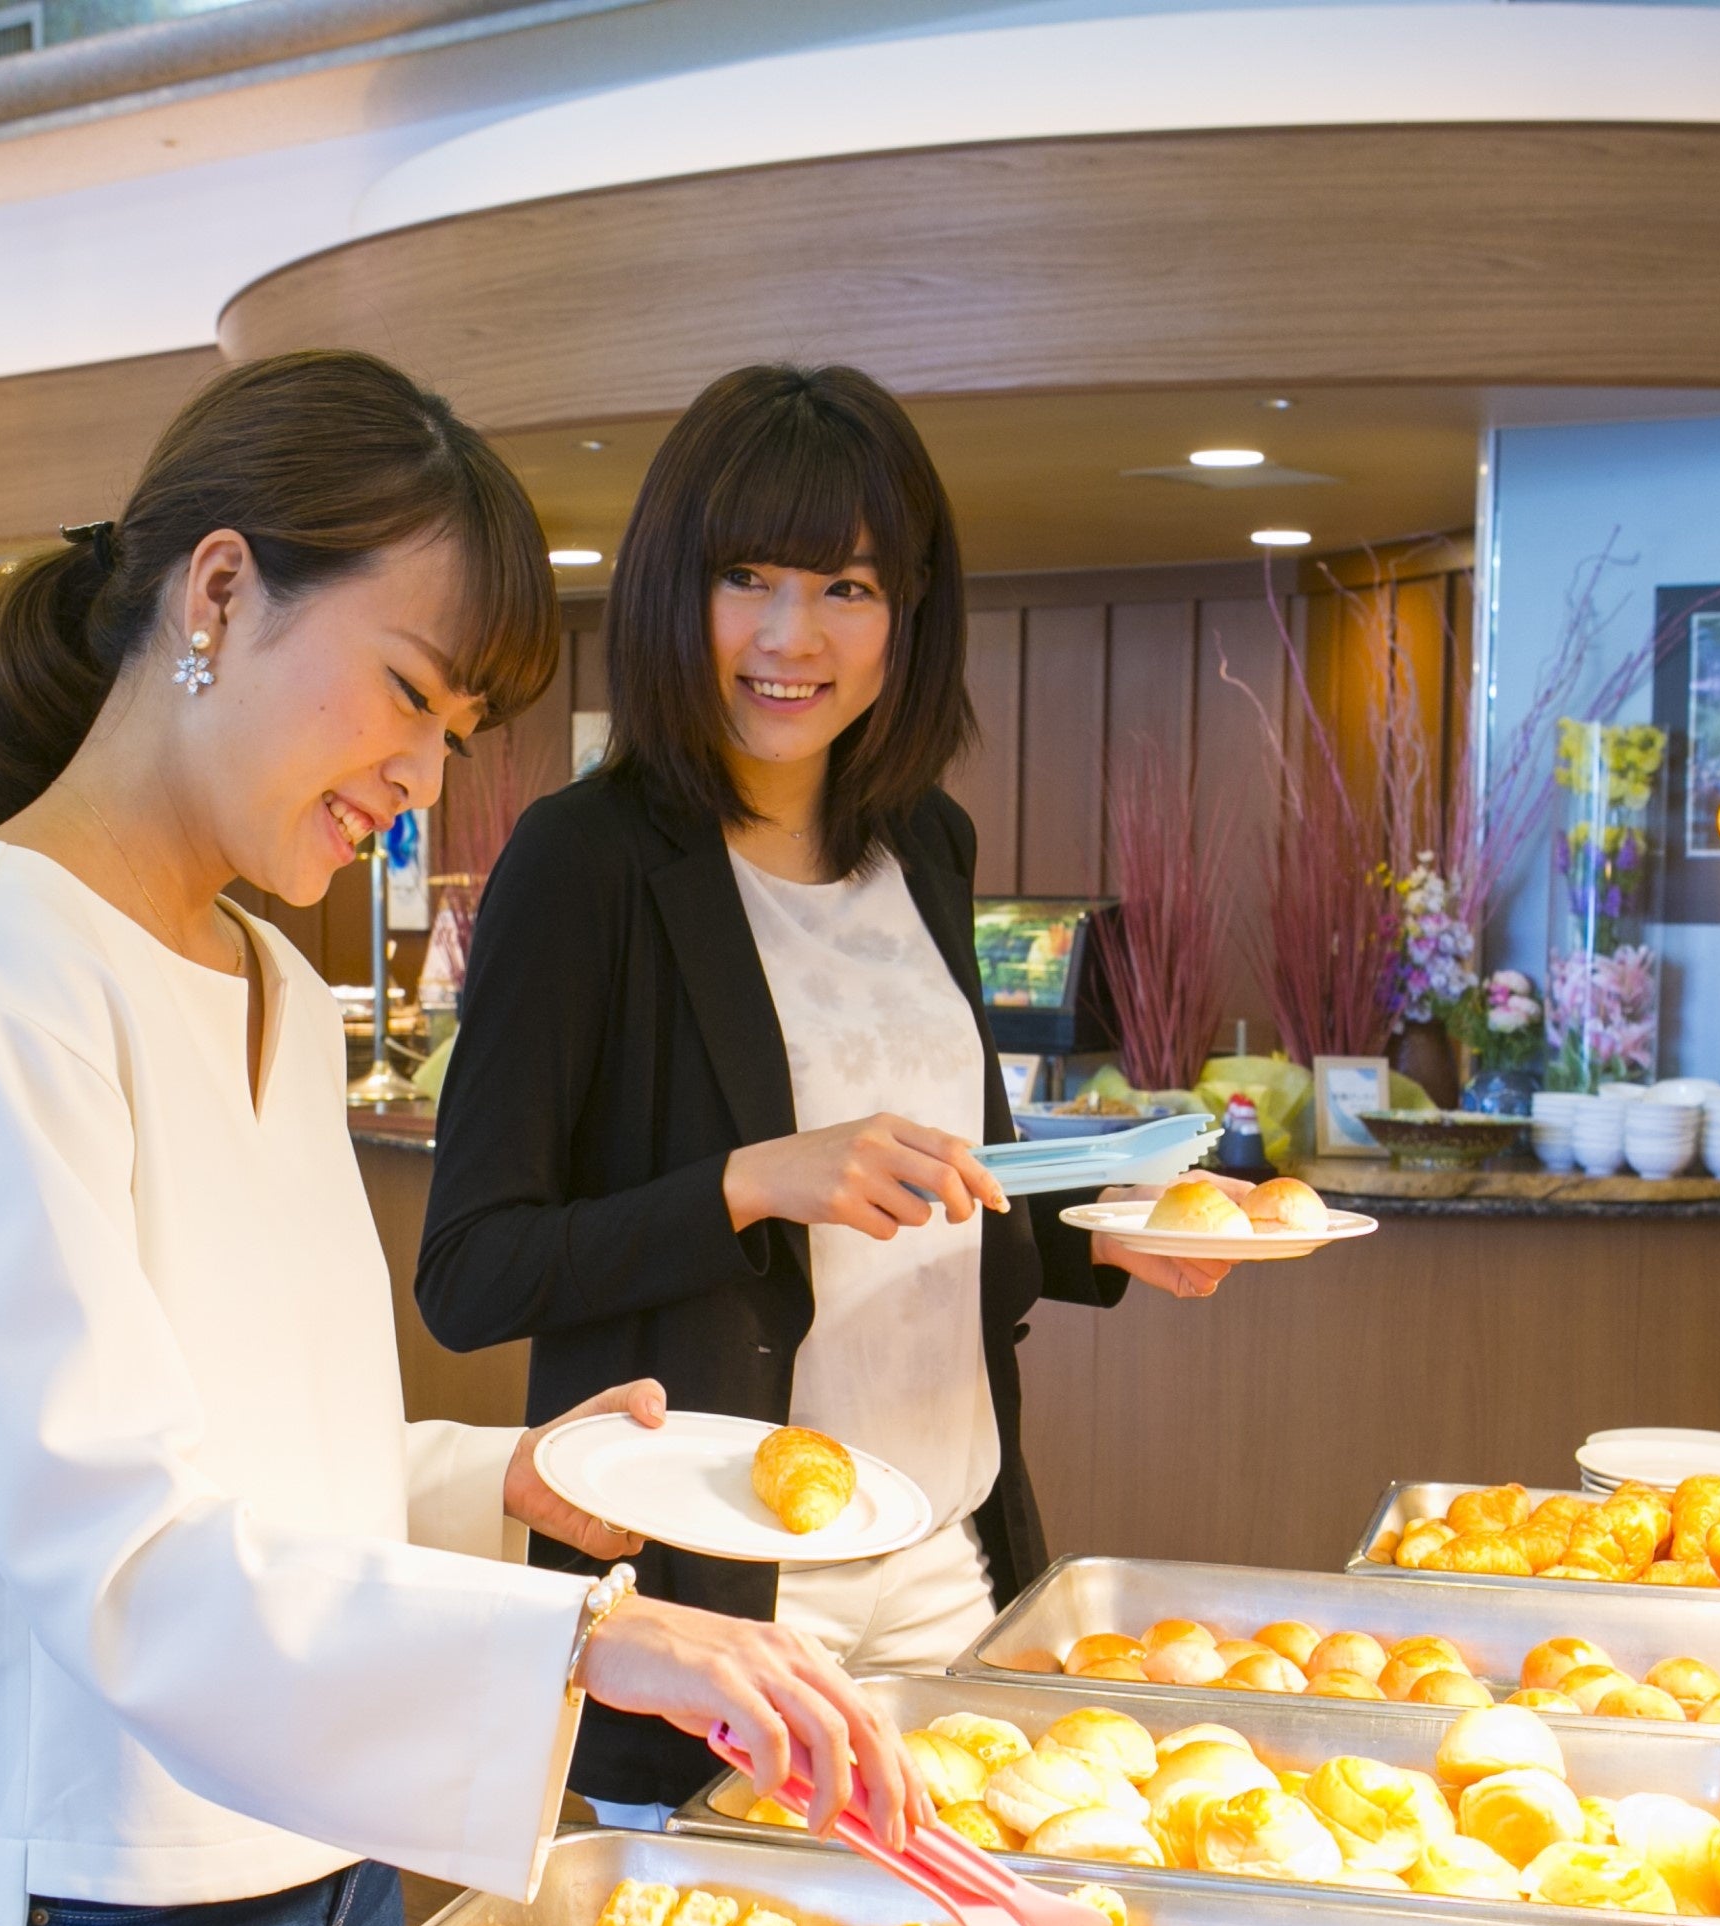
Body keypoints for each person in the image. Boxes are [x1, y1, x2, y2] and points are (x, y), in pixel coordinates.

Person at [0, 350, 915, 1926]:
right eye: (405, 691)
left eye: (452, 734)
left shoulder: (262, 970)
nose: (420, 773)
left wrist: (502, 1480)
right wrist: (590, 1635)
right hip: (93, 1906)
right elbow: (123, 1552)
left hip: (327, 1853)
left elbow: (262, 1456)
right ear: (220, 592)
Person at [417, 363, 1227, 1824]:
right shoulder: (584, 862)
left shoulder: (926, 842)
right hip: (725, 1597)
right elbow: (473, 1270)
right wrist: (747, 1183)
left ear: (908, 613)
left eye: (847, 587)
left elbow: (958, 1185)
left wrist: (1119, 1230)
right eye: (748, 578)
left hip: (955, 1548)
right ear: (674, 590)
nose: (792, 637)